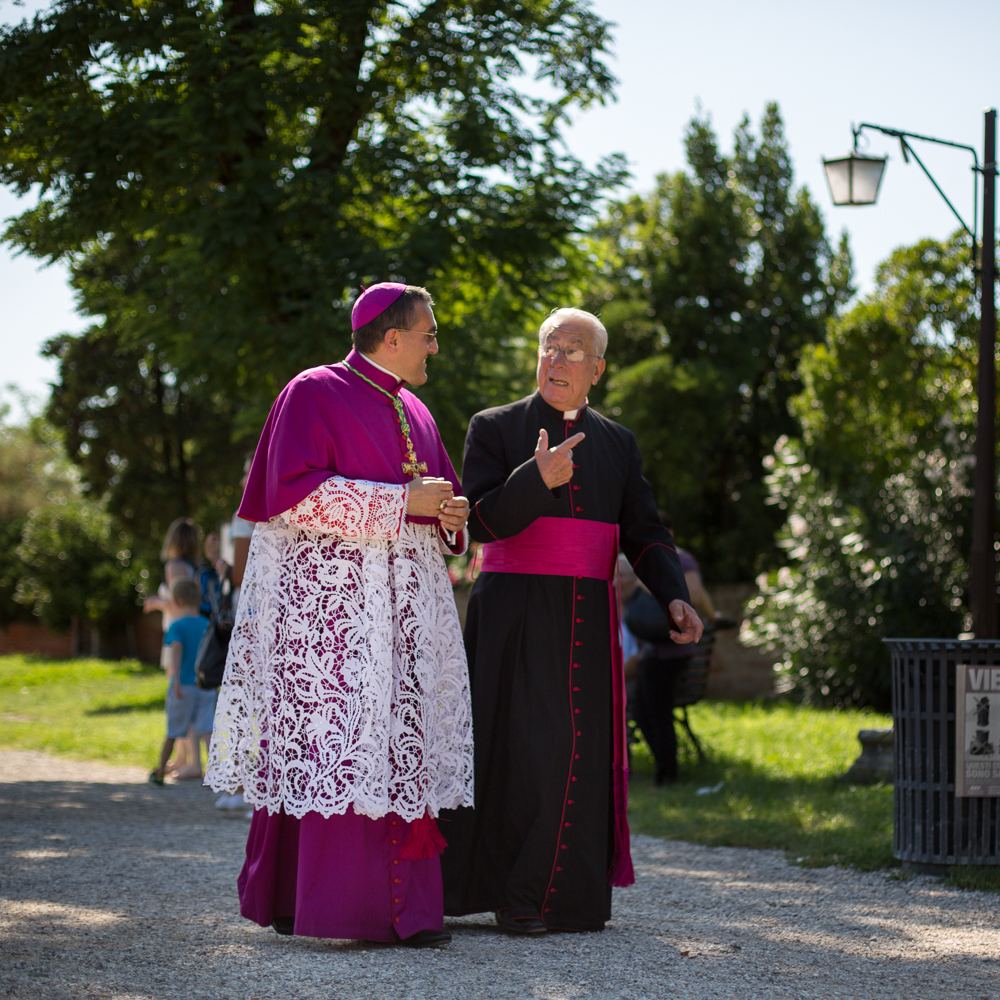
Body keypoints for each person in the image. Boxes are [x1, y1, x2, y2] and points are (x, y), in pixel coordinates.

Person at [206, 282, 474, 949]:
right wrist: (400, 504)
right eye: (429, 333)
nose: (436, 345)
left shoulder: (418, 408)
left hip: (403, 621)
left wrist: (450, 517)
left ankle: (409, 913)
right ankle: (336, 909)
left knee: (399, 745)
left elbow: (436, 501)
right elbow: (289, 496)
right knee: (334, 749)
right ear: (392, 337)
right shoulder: (312, 391)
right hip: (331, 624)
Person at [440, 307, 702, 935]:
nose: (557, 360)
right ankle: (518, 895)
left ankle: (570, 900)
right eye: (549, 347)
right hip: (514, 612)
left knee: (575, 752)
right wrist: (536, 479)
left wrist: (673, 595)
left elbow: (644, 531)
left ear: (599, 369)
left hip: (586, 617)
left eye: (573, 350)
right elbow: (474, 523)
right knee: (529, 747)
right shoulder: (495, 427)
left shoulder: (617, 442)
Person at [631, 512, 729, 785]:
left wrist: (658, 589)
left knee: (657, 713)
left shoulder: (679, 557)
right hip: (654, 651)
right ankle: (664, 769)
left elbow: (695, 594)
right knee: (642, 711)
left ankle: (667, 775)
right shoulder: (650, 558)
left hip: (669, 650)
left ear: (668, 532)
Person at [143, 517, 202, 778]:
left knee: (180, 695)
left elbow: (178, 602)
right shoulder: (195, 566)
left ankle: (192, 762)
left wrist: (156, 602)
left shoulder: (175, 566)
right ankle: (182, 758)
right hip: (193, 634)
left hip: (178, 634)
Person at [148, 579, 213, 786]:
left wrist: (175, 680)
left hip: (183, 685)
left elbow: (176, 652)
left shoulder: (176, 626)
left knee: (174, 729)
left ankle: (160, 770)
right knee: (207, 730)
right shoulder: (207, 624)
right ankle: (214, 773)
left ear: (175, 602)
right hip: (205, 685)